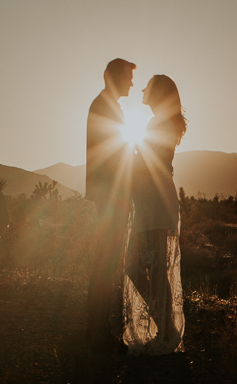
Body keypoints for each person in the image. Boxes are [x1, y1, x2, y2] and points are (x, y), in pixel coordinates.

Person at [123, 74, 186, 355]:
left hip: (155, 203)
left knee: (147, 267)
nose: (143, 89)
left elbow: (152, 163)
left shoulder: (160, 123)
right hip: (151, 202)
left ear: (158, 92)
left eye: (148, 86)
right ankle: (165, 328)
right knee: (145, 267)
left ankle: (166, 332)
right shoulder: (159, 122)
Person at [86, 57, 136, 353]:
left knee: (105, 261)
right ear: (115, 76)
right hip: (111, 194)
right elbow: (112, 156)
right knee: (105, 262)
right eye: (128, 76)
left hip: (108, 193)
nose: (131, 82)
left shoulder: (104, 105)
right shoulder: (105, 107)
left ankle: (97, 328)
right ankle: (97, 333)